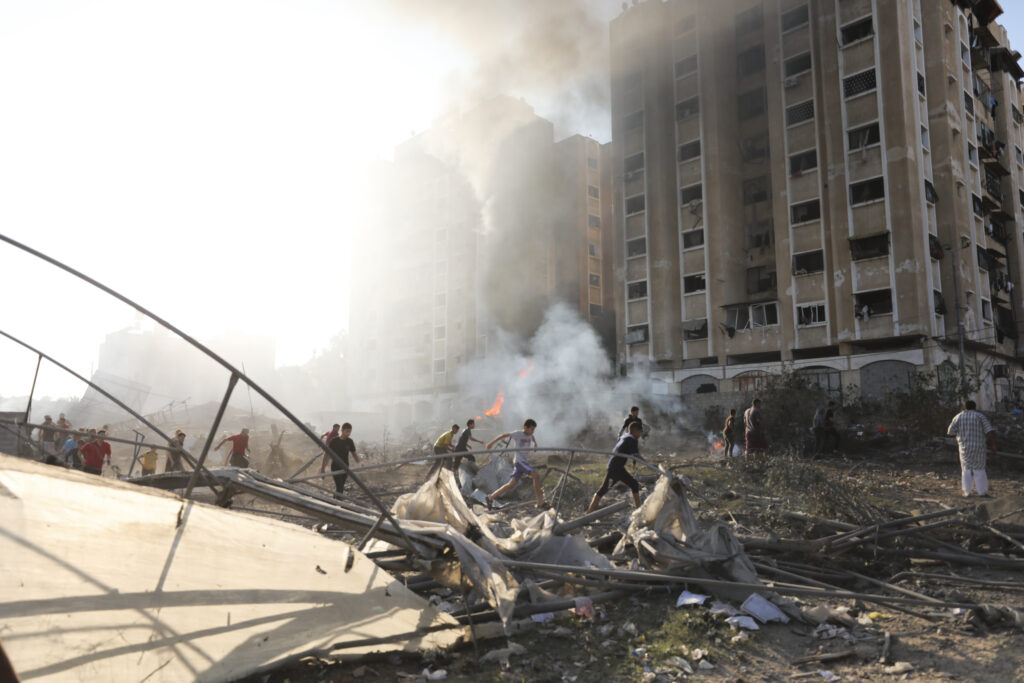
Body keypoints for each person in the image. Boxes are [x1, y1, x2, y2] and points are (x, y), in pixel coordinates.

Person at [586, 421, 648, 513]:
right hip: (616, 468)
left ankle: (638, 510)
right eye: (639, 432)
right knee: (604, 489)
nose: (639, 435)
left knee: (633, 484)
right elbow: (635, 454)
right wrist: (648, 464)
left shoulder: (624, 437)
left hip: (615, 467)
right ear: (635, 431)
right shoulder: (631, 439)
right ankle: (589, 512)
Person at [485, 419, 545, 509]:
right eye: (531, 429)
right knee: (536, 476)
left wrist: (535, 444)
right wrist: (491, 443)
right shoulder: (518, 434)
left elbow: (532, 437)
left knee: (511, 484)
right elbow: (504, 435)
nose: (533, 431)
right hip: (520, 461)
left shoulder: (530, 435)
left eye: (534, 430)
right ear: (525, 428)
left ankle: (490, 497)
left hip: (521, 462)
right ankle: (540, 503)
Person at [947, 400, 997, 497]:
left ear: (964, 408)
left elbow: (950, 431)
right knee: (979, 469)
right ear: (975, 407)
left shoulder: (958, 417)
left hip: (964, 448)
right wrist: (993, 445)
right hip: (979, 447)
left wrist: (961, 433)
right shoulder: (980, 416)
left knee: (966, 469)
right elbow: (989, 431)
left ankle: (967, 492)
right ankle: (981, 492)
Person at [320, 422, 360, 498]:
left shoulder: (350, 441)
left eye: (350, 432)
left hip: (345, 467)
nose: (348, 433)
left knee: (340, 487)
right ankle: (338, 504)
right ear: (342, 430)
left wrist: (360, 463)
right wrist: (323, 468)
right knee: (340, 487)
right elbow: (326, 454)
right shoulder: (334, 441)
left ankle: (334, 502)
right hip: (335, 467)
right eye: (347, 431)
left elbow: (354, 454)